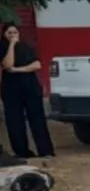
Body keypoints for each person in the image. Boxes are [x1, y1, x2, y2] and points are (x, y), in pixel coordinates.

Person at [1, 24, 55, 159]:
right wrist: (12, 45)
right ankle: (21, 151)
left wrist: (17, 70)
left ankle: (45, 151)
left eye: (15, 32)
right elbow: (7, 64)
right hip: (11, 88)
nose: (13, 35)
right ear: (4, 34)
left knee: (37, 119)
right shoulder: (3, 47)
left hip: (30, 86)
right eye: (9, 33)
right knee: (14, 121)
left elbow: (37, 64)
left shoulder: (27, 46)